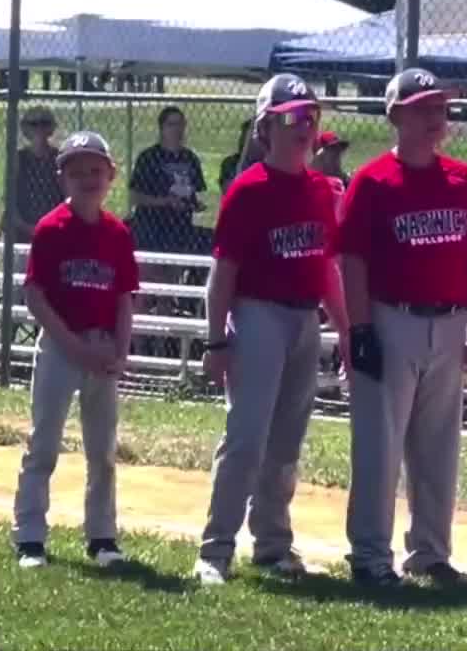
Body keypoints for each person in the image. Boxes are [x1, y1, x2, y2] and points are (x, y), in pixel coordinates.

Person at [337, 69, 467, 587]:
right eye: (424, 108)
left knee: (438, 445)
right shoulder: (372, 181)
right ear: (395, 115)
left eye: (440, 108)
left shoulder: (463, 180)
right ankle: (369, 555)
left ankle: (430, 552)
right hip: (390, 319)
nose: (436, 118)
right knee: (379, 444)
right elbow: (352, 262)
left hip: (449, 322)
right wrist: (359, 329)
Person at [193, 73, 350, 585]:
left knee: (286, 440)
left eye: (310, 116)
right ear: (266, 128)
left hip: (305, 317)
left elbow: (327, 266)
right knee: (246, 437)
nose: (304, 126)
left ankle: (273, 544)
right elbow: (224, 276)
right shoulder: (249, 190)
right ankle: (215, 550)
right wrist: (217, 340)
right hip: (258, 314)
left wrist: (345, 330)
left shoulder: (321, 190)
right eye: (291, 118)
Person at [11, 131, 137, 570]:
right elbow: (35, 296)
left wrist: (120, 351)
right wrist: (69, 345)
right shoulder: (51, 229)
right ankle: (30, 536)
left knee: (102, 450)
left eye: (96, 170)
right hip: (61, 347)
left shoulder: (117, 233)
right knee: (44, 444)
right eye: (77, 171)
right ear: (62, 177)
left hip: (102, 348)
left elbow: (124, 297)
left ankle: (102, 536)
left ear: (111, 176)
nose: (88, 178)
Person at [127, 107, 211, 258]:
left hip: (181, 227)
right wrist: (165, 202)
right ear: (161, 128)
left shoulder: (190, 158)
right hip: (151, 227)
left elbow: (193, 192)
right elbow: (134, 197)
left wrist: (195, 204)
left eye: (180, 124)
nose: (177, 129)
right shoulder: (148, 157)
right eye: (171, 124)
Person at [6, 106, 62, 243]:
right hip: (23, 230)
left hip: (53, 230)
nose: (39, 129)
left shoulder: (59, 158)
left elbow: (67, 197)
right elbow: (10, 200)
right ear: (25, 129)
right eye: (33, 124)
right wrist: (27, 228)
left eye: (44, 123)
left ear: (51, 128)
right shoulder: (18, 158)